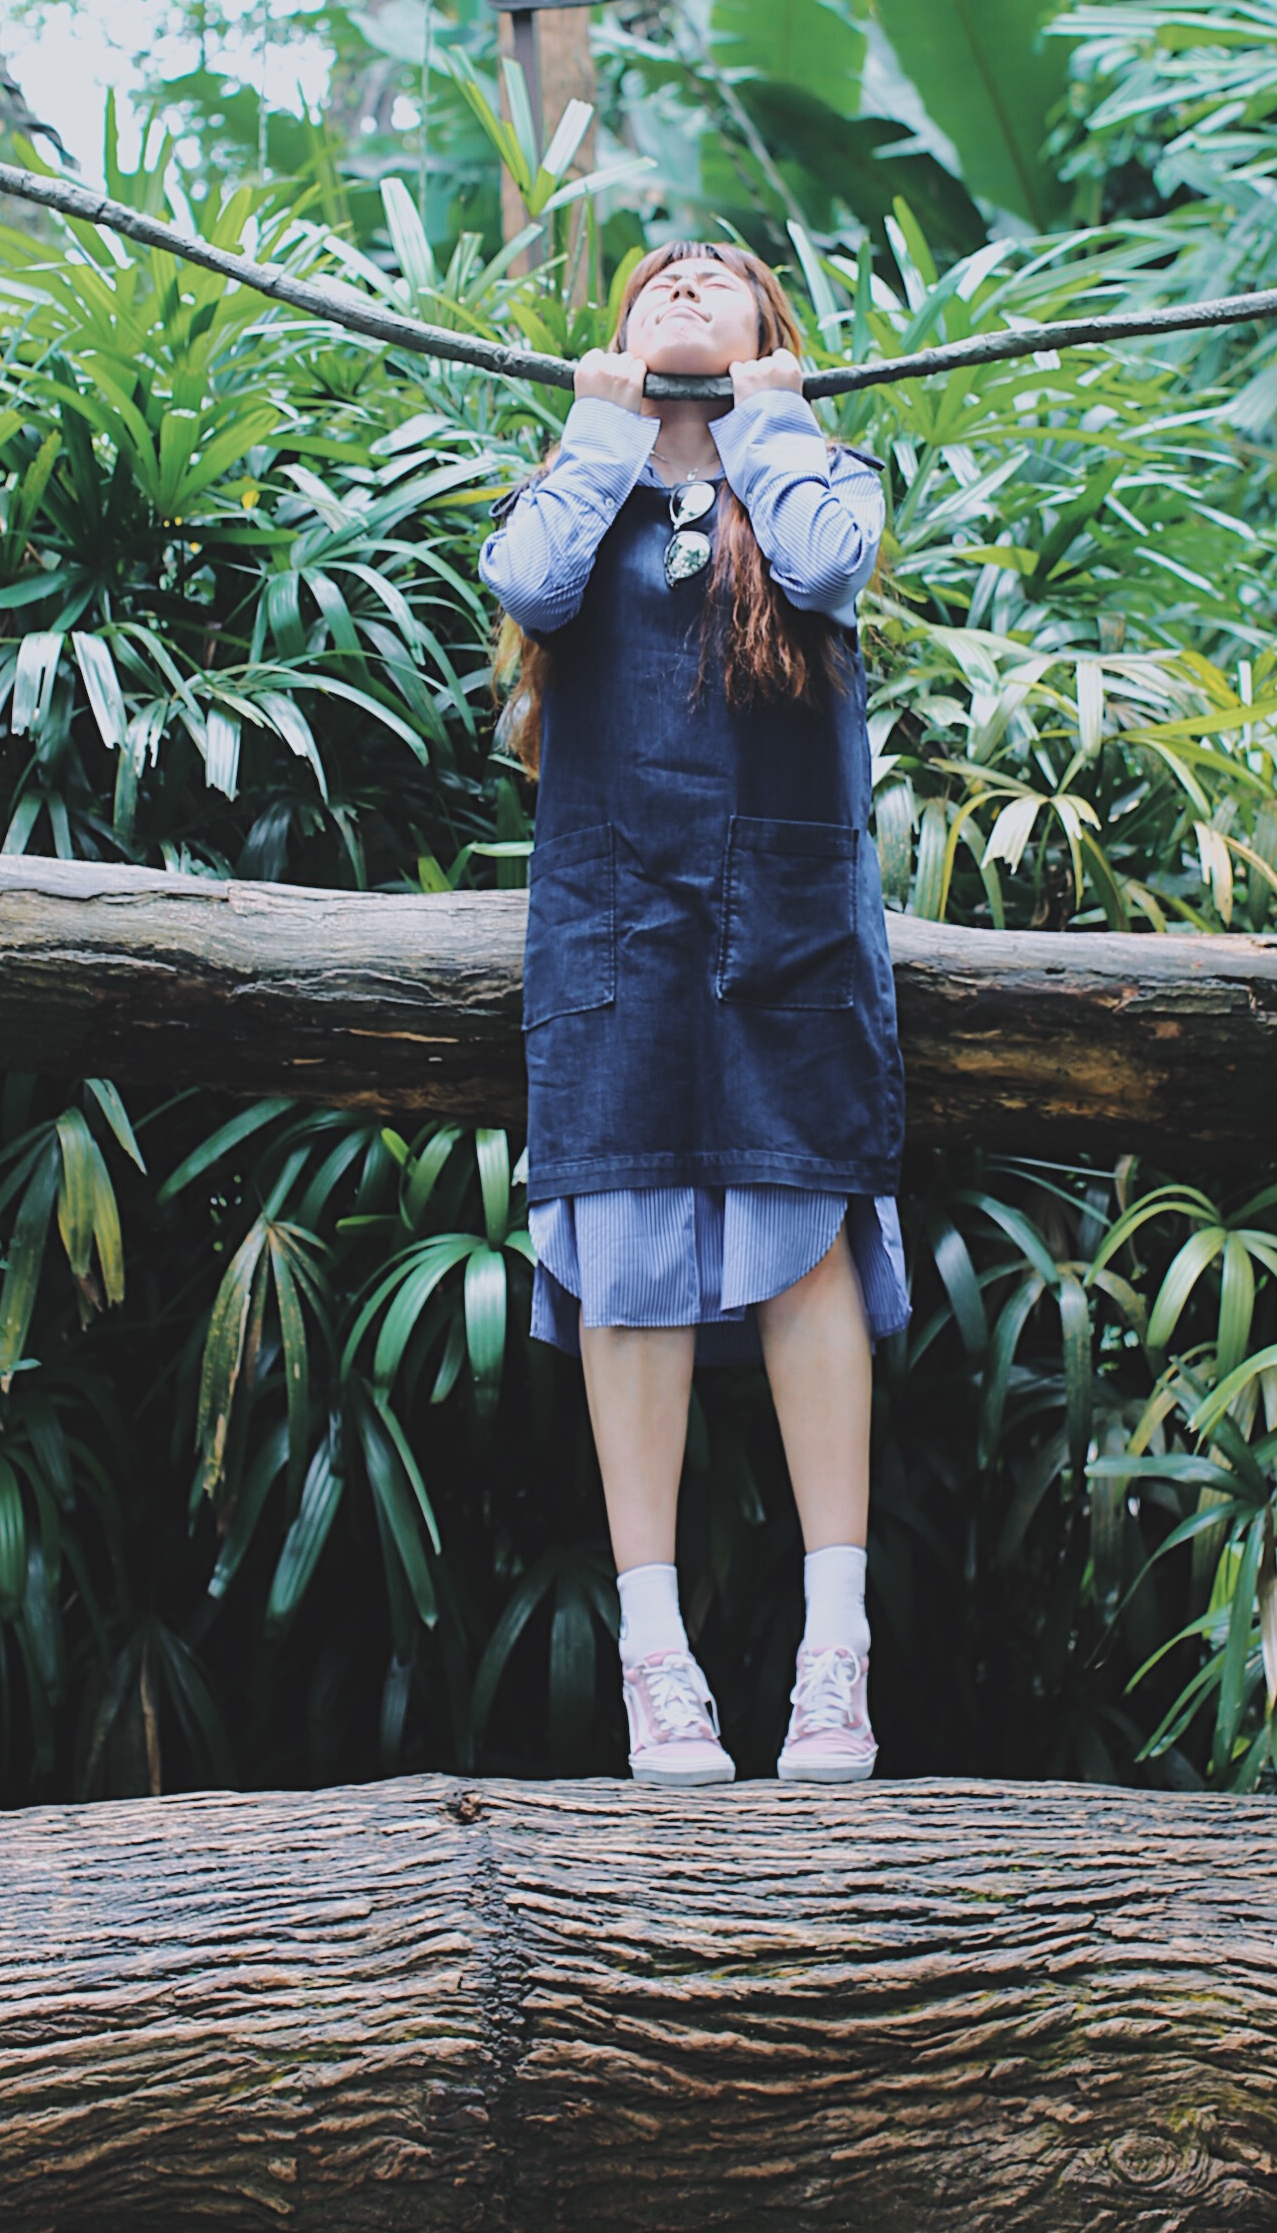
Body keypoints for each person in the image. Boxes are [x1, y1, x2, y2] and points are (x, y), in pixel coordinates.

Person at [482, 239, 906, 1785]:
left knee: (802, 1240)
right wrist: (604, 430)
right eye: (657, 275)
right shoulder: (577, 484)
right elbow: (528, 584)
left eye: (717, 275)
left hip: (787, 924)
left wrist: (768, 420)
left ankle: (835, 1658)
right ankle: (654, 1663)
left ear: (769, 330)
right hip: (614, 926)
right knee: (631, 1254)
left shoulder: (819, 475)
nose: (680, 282)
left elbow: (827, 572)